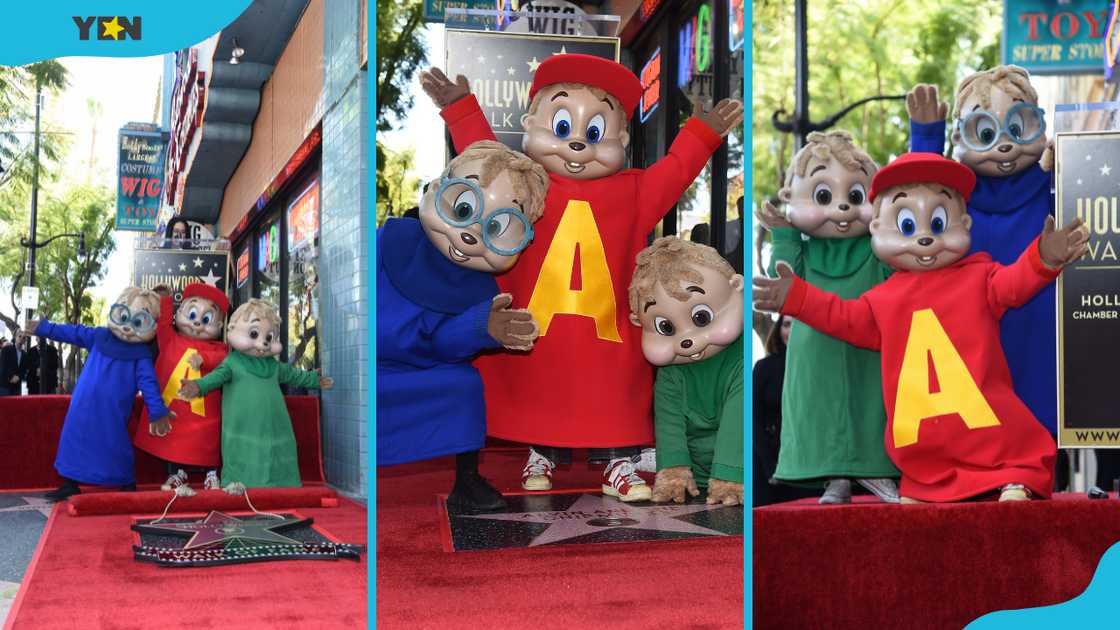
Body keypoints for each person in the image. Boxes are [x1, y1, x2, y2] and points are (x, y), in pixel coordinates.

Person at [421, 55, 743, 501]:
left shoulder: (633, 192)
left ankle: (616, 461)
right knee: (543, 387)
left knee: (609, 396)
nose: (576, 145)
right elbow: (487, 165)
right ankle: (542, 453)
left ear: (622, 139)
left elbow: (674, 172)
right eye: (560, 126)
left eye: (594, 133)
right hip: (540, 330)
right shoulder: (525, 185)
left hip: (607, 333)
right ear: (531, 123)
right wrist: (461, 111)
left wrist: (702, 134)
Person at [753, 152, 1088, 503]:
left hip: (985, 426)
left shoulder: (979, 277)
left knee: (1008, 449)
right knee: (922, 491)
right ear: (877, 230)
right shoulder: (882, 299)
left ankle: (1012, 479)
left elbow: (1015, 284)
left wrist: (1043, 258)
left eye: (939, 222)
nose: (925, 238)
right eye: (908, 225)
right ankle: (943, 487)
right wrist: (798, 298)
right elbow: (843, 317)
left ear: (965, 226)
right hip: (925, 452)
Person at [377, 141, 547, 513]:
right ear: (438, 191)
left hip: (422, 367)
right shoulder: (388, 241)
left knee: (464, 384)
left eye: (499, 227)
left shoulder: (480, 287)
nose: (471, 233)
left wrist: (481, 326)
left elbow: (443, 344)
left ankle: (466, 480)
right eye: (466, 207)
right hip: (370, 364)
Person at [28, 287, 173, 501]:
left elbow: (149, 383)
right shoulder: (99, 336)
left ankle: (126, 482)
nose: (127, 327)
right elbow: (71, 332)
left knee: (115, 441)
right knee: (74, 438)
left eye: (139, 321)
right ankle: (69, 482)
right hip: (82, 404)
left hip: (113, 409)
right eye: (124, 316)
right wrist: (44, 327)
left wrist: (157, 410)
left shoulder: (141, 354)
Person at [179, 299, 333, 489]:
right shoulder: (232, 362)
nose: (263, 343)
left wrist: (313, 380)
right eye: (254, 333)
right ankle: (240, 485)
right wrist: (197, 386)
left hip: (274, 424)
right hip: (242, 426)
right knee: (244, 452)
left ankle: (282, 485)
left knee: (275, 450)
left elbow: (294, 375)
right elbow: (214, 378)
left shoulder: (273, 365)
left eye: (269, 337)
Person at [0, 331, 30, 396]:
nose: (21, 338)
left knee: (15, 405)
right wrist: (11, 376)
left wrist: (18, 377)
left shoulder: (25, 354)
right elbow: (3, 365)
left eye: (24, 338)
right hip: (5, 384)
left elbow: (24, 369)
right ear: (15, 337)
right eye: (20, 336)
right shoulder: (6, 349)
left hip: (17, 386)